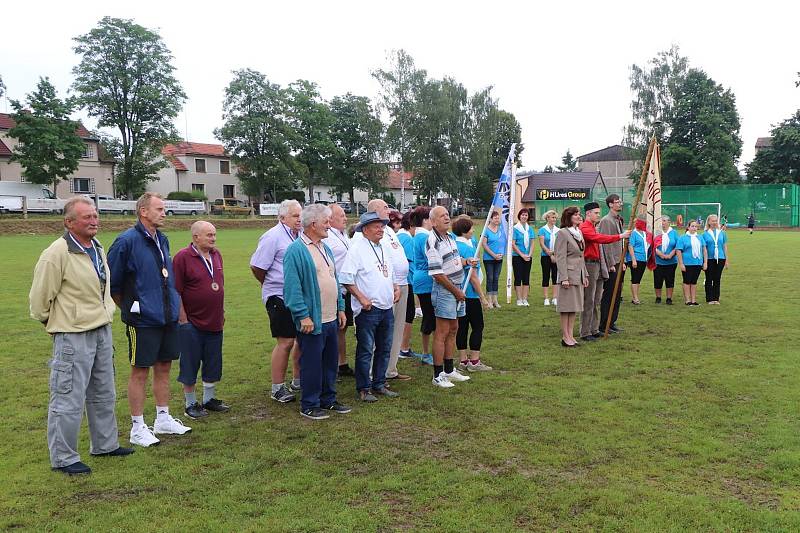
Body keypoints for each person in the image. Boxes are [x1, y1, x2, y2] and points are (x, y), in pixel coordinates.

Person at [30, 197, 134, 475]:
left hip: (101, 330)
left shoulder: (96, 247)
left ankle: (105, 444)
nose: (94, 221)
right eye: (86, 217)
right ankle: (64, 458)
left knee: (103, 391)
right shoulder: (57, 253)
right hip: (72, 335)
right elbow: (40, 301)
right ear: (69, 222)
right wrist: (58, 324)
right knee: (68, 396)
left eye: (95, 216)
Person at [107, 192, 191, 448]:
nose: (164, 213)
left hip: (166, 317)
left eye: (164, 209)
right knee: (140, 371)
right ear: (143, 211)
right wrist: (134, 309)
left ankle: (163, 418)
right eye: (159, 209)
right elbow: (114, 283)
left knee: (164, 367)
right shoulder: (126, 242)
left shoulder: (162, 240)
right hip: (142, 321)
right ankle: (137, 426)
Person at [283, 204, 350, 420]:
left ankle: (328, 399)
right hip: (313, 319)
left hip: (331, 317)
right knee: (312, 363)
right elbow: (292, 288)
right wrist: (303, 315)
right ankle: (309, 404)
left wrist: (340, 308)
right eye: (326, 222)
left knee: (330, 361)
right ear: (313, 224)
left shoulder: (325, 247)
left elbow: (334, 279)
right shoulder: (296, 250)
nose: (329, 226)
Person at [340, 212, 401, 402]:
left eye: (382, 226)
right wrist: (361, 298)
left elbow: (388, 272)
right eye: (376, 226)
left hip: (386, 306)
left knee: (384, 348)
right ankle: (364, 388)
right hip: (367, 309)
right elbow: (346, 278)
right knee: (366, 349)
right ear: (365, 229)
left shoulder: (382, 247)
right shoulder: (357, 249)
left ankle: (379, 383)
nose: (381, 229)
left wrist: (396, 287)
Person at [173, 221, 229, 420]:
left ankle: (209, 399)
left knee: (213, 362)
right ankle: (190, 403)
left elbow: (219, 285)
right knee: (190, 363)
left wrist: (221, 311)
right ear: (196, 237)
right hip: (192, 323)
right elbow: (176, 290)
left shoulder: (216, 255)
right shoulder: (182, 257)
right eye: (209, 235)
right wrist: (183, 319)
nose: (213, 239)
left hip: (214, 320)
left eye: (214, 235)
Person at [250, 199, 303, 403]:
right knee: (285, 341)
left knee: (300, 338)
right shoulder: (273, 236)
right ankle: (277, 387)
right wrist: (271, 285)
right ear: (282, 217)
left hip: (297, 295)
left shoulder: (299, 235)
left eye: (300, 215)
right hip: (278, 295)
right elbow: (257, 266)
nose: (299, 219)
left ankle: (298, 380)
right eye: (295, 216)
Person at [427, 206, 471, 387]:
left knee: (454, 328)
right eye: (442, 216)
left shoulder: (450, 238)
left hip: (457, 288)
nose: (446, 217)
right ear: (433, 222)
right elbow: (437, 273)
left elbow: (453, 261)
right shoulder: (432, 241)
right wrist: (456, 291)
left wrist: (467, 262)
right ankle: (438, 375)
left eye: (447, 214)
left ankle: (449, 369)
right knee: (442, 332)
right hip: (446, 291)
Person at [579, 202, 629, 342]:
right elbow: (599, 239)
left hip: (598, 264)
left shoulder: (594, 227)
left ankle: (594, 329)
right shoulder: (585, 227)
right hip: (589, 264)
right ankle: (585, 331)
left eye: (598, 213)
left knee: (596, 299)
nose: (598, 215)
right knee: (589, 300)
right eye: (596, 213)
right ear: (588, 213)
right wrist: (619, 236)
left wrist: (607, 263)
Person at [452, 216, 492, 372]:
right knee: (477, 326)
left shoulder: (454, 245)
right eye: (471, 228)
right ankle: (474, 361)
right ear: (464, 231)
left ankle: (463, 360)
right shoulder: (468, 249)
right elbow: (473, 277)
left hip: (458, 293)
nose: (474, 230)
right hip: (470, 294)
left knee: (461, 327)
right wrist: (482, 297)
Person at [322, 203, 355, 378]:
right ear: (330, 218)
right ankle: (330, 364)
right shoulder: (327, 237)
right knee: (331, 329)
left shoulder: (343, 235)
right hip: (333, 289)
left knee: (342, 328)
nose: (345, 218)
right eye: (341, 215)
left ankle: (342, 363)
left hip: (345, 289)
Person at [555, 206, 589, 347]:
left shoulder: (578, 232)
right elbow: (560, 257)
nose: (578, 216)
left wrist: (585, 274)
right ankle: (565, 336)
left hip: (578, 274)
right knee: (566, 307)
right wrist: (564, 278)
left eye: (579, 214)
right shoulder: (563, 233)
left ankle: (570, 335)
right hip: (567, 275)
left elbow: (581, 256)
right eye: (575, 215)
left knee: (574, 307)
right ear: (568, 217)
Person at [384, 208, 412, 382]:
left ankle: (390, 369)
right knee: (384, 329)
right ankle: (375, 371)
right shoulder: (369, 233)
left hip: (402, 284)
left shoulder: (389, 231)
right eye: (384, 209)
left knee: (397, 329)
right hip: (389, 286)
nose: (387, 212)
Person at [598, 194, 626, 334]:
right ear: (610, 204)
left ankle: (612, 321)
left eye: (620, 201)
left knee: (618, 293)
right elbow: (605, 243)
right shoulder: (606, 221)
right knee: (609, 293)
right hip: (612, 263)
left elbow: (619, 242)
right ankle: (604, 324)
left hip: (619, 261)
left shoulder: (618, 220)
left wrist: (623, 260)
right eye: (617, 202)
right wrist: (610, 263)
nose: (620, 204)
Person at [411, 206, 435, 364]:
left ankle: (428, 353)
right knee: (430, 317)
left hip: (422, 278)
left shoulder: (420, 235)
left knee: (429, 316)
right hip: (426, 279)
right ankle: (427, 353)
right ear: (426, 220)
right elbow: (432, 259)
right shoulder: (424, 237)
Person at [396, 210, 418, 360]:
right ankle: (404, 347)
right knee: (408, 315)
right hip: (406, 281)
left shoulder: (397, 235)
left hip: (398, 281)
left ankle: (399, 347)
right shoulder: (408, 239)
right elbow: (410, 262)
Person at [675, 219, 707, 306]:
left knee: (694, 282)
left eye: (696, 226)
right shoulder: (682, 238)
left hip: (697, 263)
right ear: (688, 227)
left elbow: (704, 250)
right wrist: (681, 263)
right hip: (687, 263)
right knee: (687, 281)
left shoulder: (700, 237)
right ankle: (687, 300)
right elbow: (678, 251)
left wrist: (705, 262)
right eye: (692, 226)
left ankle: (693, 300)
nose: (694, 228)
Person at [702, 214, 729, 305]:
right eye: (712, 220)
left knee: (717, 278)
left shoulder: (722, 233)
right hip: (709, 258)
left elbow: (724, 246)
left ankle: (716, 298)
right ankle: (709, 298)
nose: (714, 222)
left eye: (715, 220)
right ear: (708, 222)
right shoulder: (705, 234)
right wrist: (704, 261)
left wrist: (726, 260)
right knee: (709, 278)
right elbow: (704, 248)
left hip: (720, 258)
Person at [625, 215, 652, 305]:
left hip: (643, 259)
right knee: (635, 278)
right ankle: (635, 298)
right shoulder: (633, 233)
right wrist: (633, 260)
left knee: (638, 278)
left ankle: (636, 296)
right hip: (636, 258)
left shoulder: (644, 233)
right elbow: (630, 246)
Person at [511, 208, 536, 306]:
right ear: (519, 216)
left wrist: (529, 255)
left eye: (526, 215)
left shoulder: (530, 229)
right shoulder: (515, 229)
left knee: (526, 278)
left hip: (528, 256)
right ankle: (519, 299)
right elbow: (513, 244)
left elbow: (532, 243)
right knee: (518, 277)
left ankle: (525, 299)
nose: (524, 217)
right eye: (522, 215)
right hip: (517, 256)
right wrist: (522, 255)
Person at [481, 209, 505, 308]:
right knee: (490, 278)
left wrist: (501, 254)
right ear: (490, 219)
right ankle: (489, 300)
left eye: (498, 218)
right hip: (489, 258)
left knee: (496, 278)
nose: (497, 220)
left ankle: (495, 300)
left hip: (499, 258)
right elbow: (484, 244)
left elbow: (503, 242)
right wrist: (493, 255)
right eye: (495, 218)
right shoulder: (486, 230)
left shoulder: (501, 230)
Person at [653, 216, 679, 304]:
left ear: (669, 222)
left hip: (671, 262)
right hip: (658, 261)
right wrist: (661, 254)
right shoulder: (656, 232)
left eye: (664, 221)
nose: (663, 223)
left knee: (670, 280)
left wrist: (671, 254)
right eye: (661, 221)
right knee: (658, 280)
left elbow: (678, 245)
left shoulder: (674, 233)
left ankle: (669, 298)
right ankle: (658, 297)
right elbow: (652, 245)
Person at [537, 210, 560, 307]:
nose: (554, 219)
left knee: (555, 277)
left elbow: (559, 244)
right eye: (552, 217)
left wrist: (554, 254)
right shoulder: (542, 230)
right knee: (546, 276)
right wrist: (550, 254)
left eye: (555, 218)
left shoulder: (558, 230)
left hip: (556, 256)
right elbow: (542, 244)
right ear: (547, 218)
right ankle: (546, 298)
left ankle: (555, 297)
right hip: (545, 256)